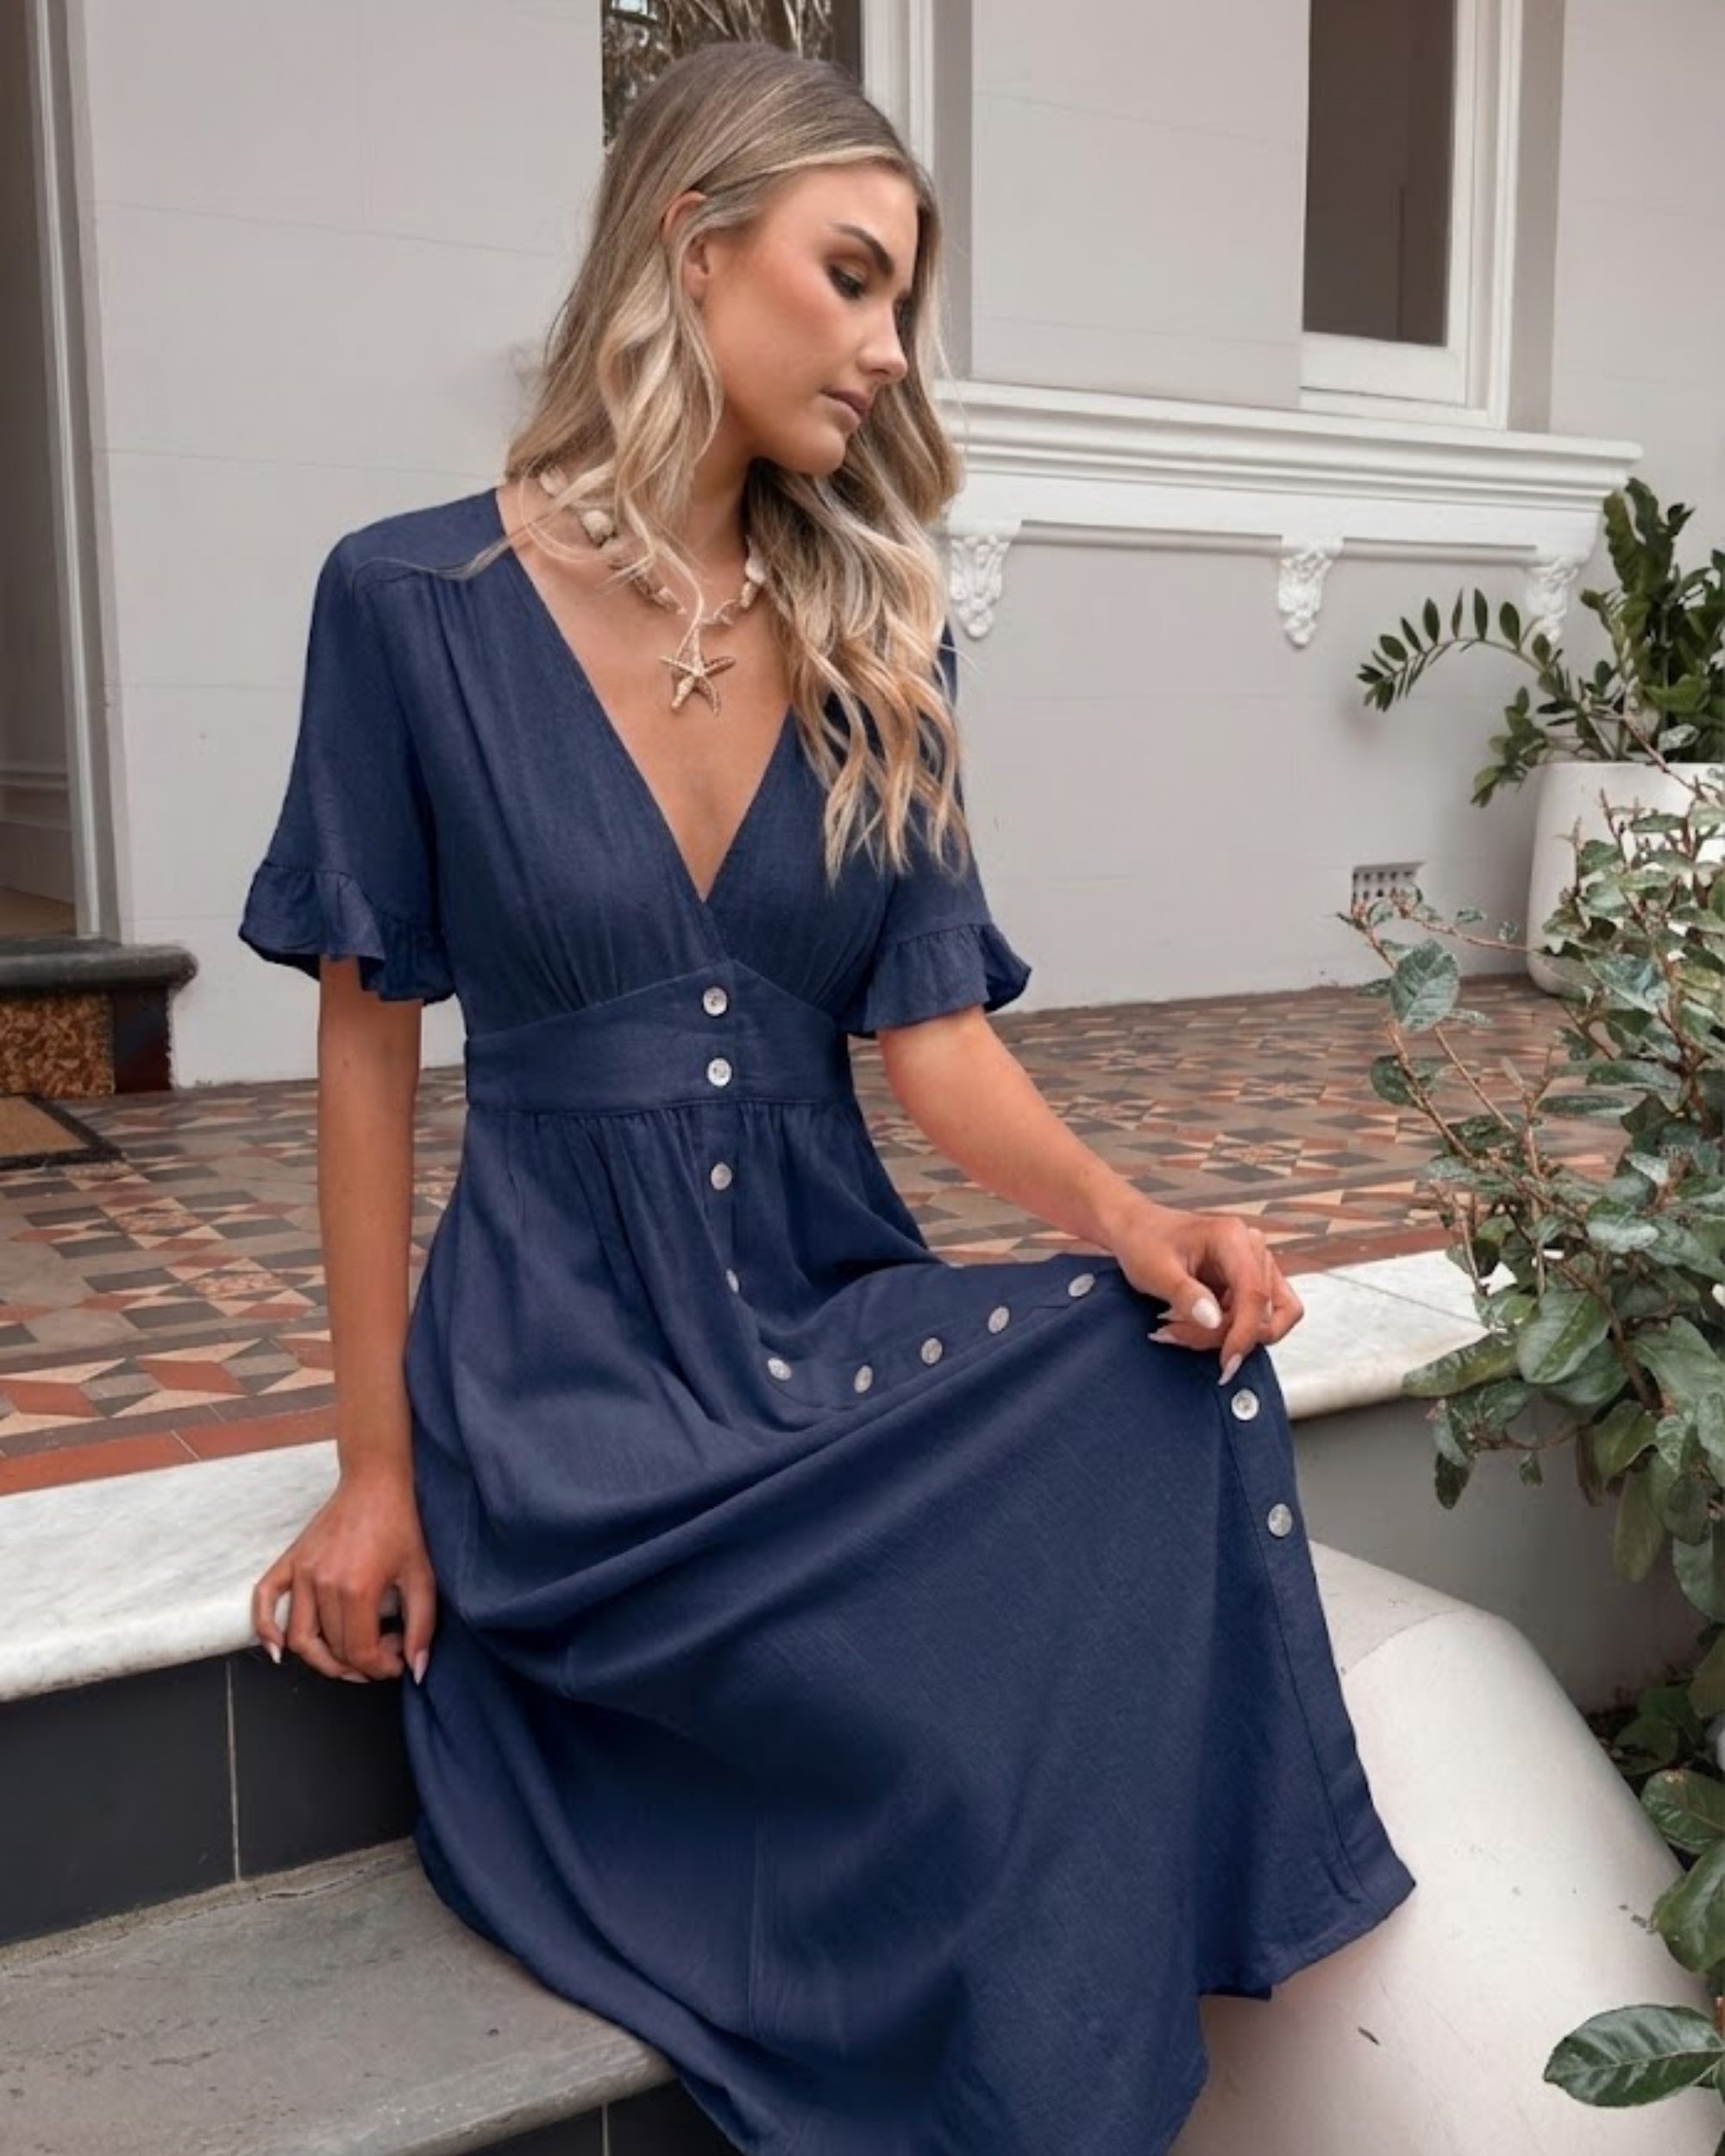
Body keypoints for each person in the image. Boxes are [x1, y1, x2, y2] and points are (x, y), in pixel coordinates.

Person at [237, 39, 1414, 2155]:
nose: (886, 348)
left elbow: (932, 1041)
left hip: (808, 1305)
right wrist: (372, 1469)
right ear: (692, 248)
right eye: (851, 276)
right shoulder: (409, 604)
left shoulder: (883, 631)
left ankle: (1051, 2075)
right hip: (564, 1372)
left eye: (904, 303)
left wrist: (1130, 1215)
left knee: (1167, 1372)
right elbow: (364, 1054)